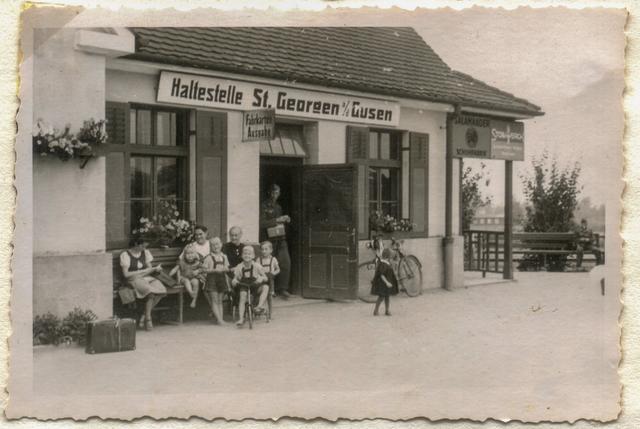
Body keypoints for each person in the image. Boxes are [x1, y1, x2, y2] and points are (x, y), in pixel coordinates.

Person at [120, 237, 167, 331]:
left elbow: (150, 269)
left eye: (145, 247)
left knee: (162, 291)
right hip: (133, 280)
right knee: (150, 293)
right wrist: (143, 271)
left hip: (146, 278)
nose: (144, 249)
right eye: (143, 246)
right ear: (136, 244)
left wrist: (155, 269)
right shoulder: (125, 255)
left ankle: (143, 315)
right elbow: (126, 274)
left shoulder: (145, 252)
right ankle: (148, 319)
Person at [260, 184, 292, 299]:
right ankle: (268, 289)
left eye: (277, 193)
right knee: (267, 264)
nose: (275, 195)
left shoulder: (278, 207)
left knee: (285, 262)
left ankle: (282, 288)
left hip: (280, 238)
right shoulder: (263, 205)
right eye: (273, 192)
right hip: (269, 240)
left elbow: (279, 223)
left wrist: (285, 220)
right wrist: (277, 220)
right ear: (269, 193)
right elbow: (262, 223)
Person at [231, 245, 269, 327]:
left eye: (249, 254)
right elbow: (235, 279)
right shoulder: (239, 267)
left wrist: (261, 278)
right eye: (245, 254)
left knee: (266, 287)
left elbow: (266, 278)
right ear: (242, 255)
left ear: (253, 256)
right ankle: (241, 318)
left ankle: (259, 306)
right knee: (242, 295)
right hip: (243, 286)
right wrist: (234, 281)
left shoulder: (257, 266)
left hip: (255, 285)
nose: (247, 255)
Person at [202, 237, 230, 325]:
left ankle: (220, 319)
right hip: (212, 280)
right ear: (210, 247)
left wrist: (225, 269)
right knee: (214, 300)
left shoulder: (224, 257)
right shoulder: (208, 258)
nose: (215, 246)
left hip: (221, 279)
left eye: (217, 244)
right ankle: (219, 320)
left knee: (220, 300)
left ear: (221, 245)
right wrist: (214, 270)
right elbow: (204, 270)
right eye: (213, 245)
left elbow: (227, 268)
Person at [169, 244, 204, 308]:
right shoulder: (182, 262)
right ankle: (191, 292)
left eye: (192, 253)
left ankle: (194, 300)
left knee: (196, 282)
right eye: (188, 253)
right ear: (184, 255)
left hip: (193, 277)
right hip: (183, 277)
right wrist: (170, 273)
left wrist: (198, 270)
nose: (190, 255)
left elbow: (203, 268)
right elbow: (175, 269)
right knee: (186, 281)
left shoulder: (197, 262)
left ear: (195, 254)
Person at [371, 248, 399, 316]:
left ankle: (387, 310)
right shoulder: (383, 264)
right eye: (391, 256)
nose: (391, 258)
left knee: (387, 296)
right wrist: (387, 282)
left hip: (386, 284)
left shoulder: (387, 263)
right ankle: (376, 310)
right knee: (381, 297)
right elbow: (381, 275)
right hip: (382, 284)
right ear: (388, 257)